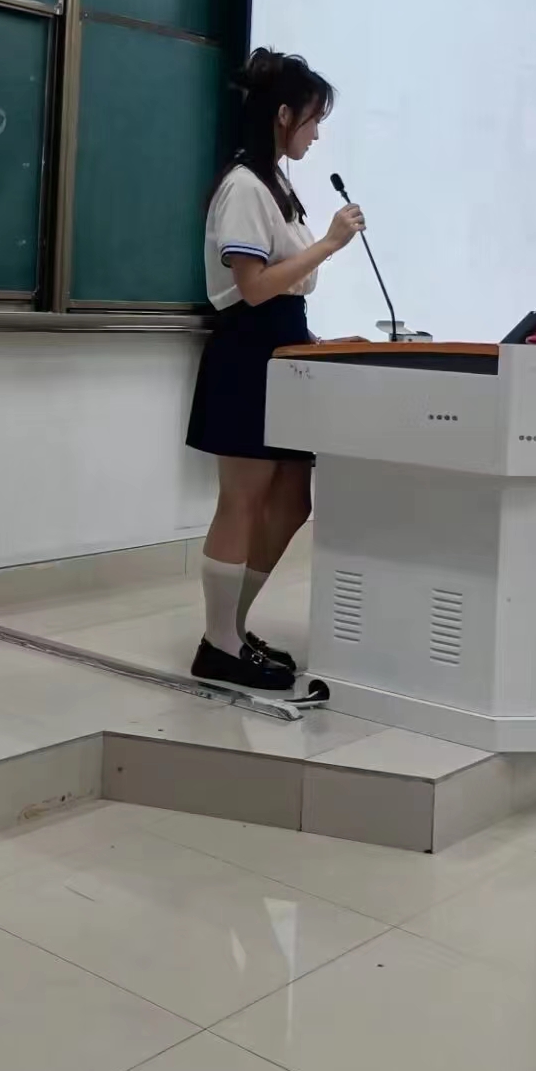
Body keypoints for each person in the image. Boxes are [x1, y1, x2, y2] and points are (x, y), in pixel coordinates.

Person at [185, 48, 364, 692]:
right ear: (283, 115)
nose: (316, 135)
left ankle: (231, 628)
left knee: (291, 499)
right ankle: (218, 643)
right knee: (243, 500)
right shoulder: (242, 187)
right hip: (246, 355)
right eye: (313, 121)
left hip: (282, 350)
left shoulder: (276, 185)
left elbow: (285, 296)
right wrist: (330, 244)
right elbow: (255, 288)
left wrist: (313, 342)